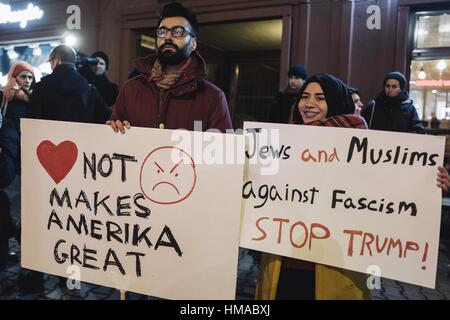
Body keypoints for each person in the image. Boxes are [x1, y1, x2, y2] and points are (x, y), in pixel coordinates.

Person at [255, 73, 450, 300]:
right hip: (284, 261)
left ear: (335, 102)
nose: (309, 104)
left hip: (335, 267)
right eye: (305, 97)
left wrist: (430, 183)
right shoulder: (283, 142)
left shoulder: (360, 146)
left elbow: (390, 193)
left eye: (320, 98)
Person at [109, 2, 232, 133]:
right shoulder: (131, 89)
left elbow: (223, 150)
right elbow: (113, 138)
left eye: (177, 32)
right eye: (162, 31)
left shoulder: (212, 97)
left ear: (193, 44)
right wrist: (115, 128)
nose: (167, 37)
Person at [28, 44, 111, 124]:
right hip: (80, 137)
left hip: (48, 137)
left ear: (56, 61)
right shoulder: (89, 89)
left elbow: (32, 120)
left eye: (50, 62)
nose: (50, 66)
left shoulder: (40, 87)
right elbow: (106, 116)